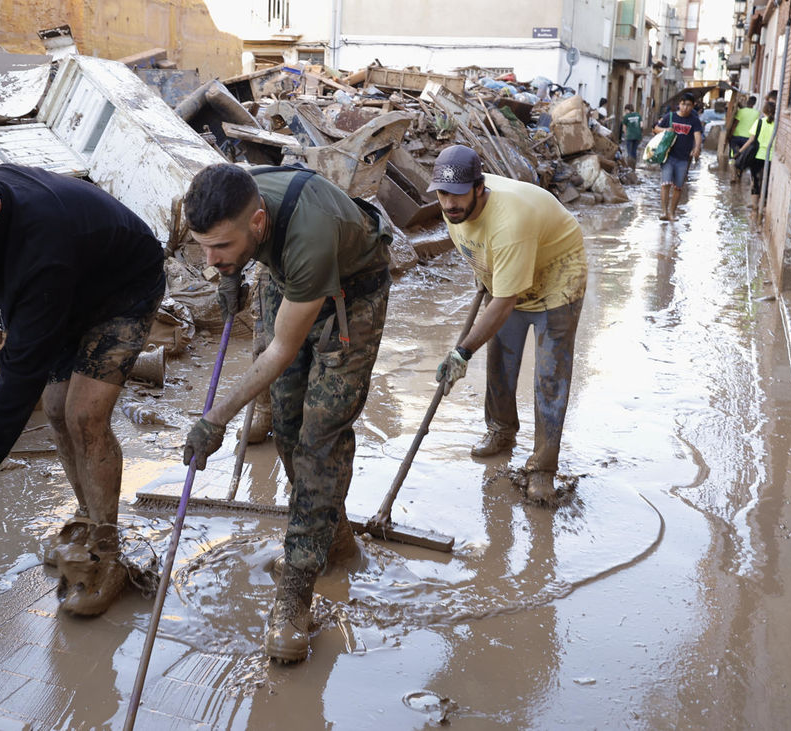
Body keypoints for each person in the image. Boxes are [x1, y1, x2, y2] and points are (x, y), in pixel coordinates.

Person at [0, 154, 165, 617]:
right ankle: (86, 523)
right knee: (56, 410)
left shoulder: (41, 252)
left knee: (84, 415)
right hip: (68, 290)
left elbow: (20, 376)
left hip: (123, 288)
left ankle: (106, 552)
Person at [180, 163, 391, 663]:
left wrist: (216, 418)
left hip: (351, 291)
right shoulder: (235, 201)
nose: (209, 260)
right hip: (286, 275)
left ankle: (295, 594)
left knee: (319, 434)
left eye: (221, 249)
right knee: (287, 421)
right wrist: (227, 275)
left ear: (257, 224)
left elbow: (278, 352)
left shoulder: (310, 234)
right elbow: (277, 363)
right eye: (202, 248)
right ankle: (331, 539)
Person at [428, 145, 586, 505]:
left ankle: (543, 468)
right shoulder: (454, 211)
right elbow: (479, 252)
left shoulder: (510, 221)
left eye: (457, 194)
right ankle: (501, 431)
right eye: (442, 194)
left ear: (479, 189)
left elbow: (504, 302)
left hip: (557, 273)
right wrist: (485, 274)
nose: (449, 203)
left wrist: (462, 351)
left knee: (550, 375)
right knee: (500, 359)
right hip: (508, 272)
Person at [653, 92, 704, 222]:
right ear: (679, 104)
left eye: (689, 105)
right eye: (683, 104)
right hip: (668, 156)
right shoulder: (669, 117)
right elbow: (655, 128)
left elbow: (697, 135)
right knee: (665, 184)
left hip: (684, 158)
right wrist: (665, 130)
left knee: (678, 187)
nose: (685, 107)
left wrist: (697, 147)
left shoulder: (694, 120)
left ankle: (672, 213)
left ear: (693, 106)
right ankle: (664, 212)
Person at [736, 101, 776, 224]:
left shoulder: (759, 123)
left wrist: (740, 152)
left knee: (755, 181)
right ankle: (763, 207)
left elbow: (751, 140)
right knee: (766, 181)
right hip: (771, 158)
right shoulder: (777, 125)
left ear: (764, 111)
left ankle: (754, 209)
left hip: (757, 156)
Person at [728, 95, 758, 184]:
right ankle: (739, 174)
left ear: (747, 102)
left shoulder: (741, 111)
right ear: (754, 104)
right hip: (748, 139)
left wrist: (730, 135)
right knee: (742, 157)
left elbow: (735, 124)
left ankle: (733, 175)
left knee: (732, 156)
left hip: (736, 137)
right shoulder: (757, 113)